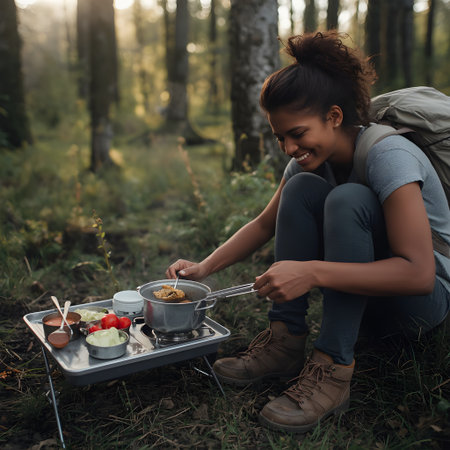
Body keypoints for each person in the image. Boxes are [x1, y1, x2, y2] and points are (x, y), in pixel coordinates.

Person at [166, 31, 450, 433]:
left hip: (421, 308)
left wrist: (312, 272)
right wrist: (204, 268)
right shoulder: (307, 163)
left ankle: (333, 369)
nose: (287, 148)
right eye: (280, 137)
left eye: (296, 134)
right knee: (301, 187)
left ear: (334, 116)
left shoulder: (389, 155)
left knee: (349, 199)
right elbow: (265, 223)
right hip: (370, 298)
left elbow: (419, 275)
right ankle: (285, 340)